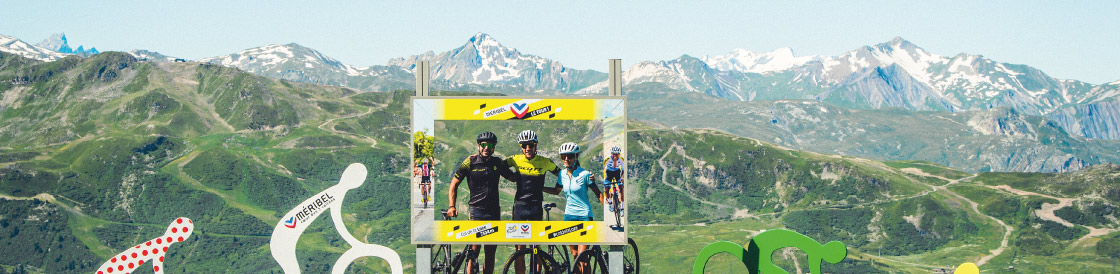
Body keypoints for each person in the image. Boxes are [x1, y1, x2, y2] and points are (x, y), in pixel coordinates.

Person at [448, 131, 519, 274]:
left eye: (490, 145)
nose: (487, 148)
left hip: (493, 211)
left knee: (491, 252)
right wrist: (452, 206)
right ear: (479, 146)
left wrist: (524, 167)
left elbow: (512, 178)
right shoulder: (470, 161)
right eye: (484, 145)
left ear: (494, 147)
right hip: (476, 211)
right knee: (473, 251)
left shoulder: (497, 162)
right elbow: (454, 184)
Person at [504, 130, 562, 274]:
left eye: (530, 145)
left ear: (535, 145)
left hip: (535, 206)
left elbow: (561, 174)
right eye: (524, 146)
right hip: (519, 206)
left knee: (536, 246)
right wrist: (511, 177)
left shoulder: (545, 161)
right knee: (519, 249)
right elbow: (498, 166)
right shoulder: (515, 159)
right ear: (521, 147)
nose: (527, 148)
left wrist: (556, 189)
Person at [554, 142, 603, 274]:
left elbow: (598, 194)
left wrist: (611, 213)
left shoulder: (585, 174)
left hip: (584, 216)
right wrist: (537, 189)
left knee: (583, 257)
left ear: (575, 157)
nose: (566, 159)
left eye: (569, 156)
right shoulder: (562, 174)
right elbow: (556, 191)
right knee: (575, 256)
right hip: (568, 216)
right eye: (563, 156)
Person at [603, 145, 626, 214]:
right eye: (614, 154)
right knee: (606, 189)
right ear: (611, 154)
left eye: (617, 154)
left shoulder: (621, 159)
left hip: (617, 172)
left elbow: (623, 169)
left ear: (619, 154)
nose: (615, 156)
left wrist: (622, 178)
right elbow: (603, 169)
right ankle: (610, 202)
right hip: (609, 172)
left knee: (621, 188)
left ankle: (622, 207)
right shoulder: (607, 159)